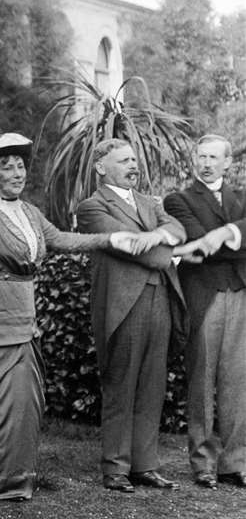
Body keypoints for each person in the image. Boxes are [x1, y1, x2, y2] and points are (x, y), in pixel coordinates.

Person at [0, 134, 152, 501]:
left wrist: (109, 241)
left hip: (23, 315)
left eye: (20, 166)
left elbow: (62, 239)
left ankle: (15, 478)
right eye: (7, 167)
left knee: (23, 400)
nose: (17, 173)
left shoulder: (29, 212)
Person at [75, 138, 188, 493]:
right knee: (121, 384)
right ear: (101, 167)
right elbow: (135, 249)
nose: (133, 165)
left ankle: (144, 465)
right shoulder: (91, 207)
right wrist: (166, 248)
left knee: (153, 385)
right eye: (124, 160)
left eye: (134, 159)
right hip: (123, 305)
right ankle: (115, 468)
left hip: (159, 299)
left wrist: (158, 237)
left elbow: (179, 230)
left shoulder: (148, 202)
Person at [164, 135, 246, 489]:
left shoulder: (240, 198)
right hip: (203, 296)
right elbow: (201, 242)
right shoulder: (178, 200)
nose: (207, 163)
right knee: (201, 379)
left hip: (239, 292)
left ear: (228, 163)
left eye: (214, 157)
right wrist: (236, 239)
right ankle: (203, 463)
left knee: (238, 382)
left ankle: (234, 462)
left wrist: (227, 231)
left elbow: (216, 241)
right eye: (201, 156)